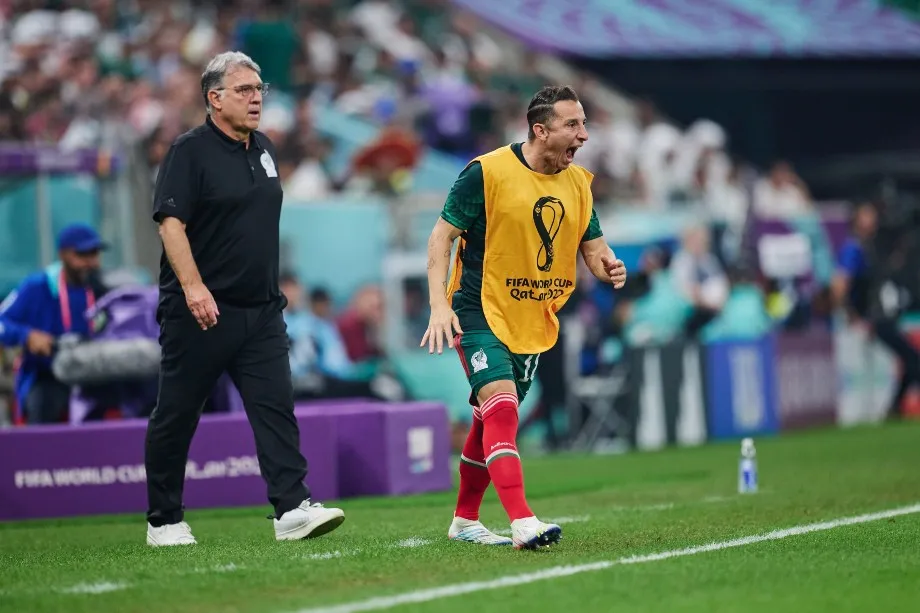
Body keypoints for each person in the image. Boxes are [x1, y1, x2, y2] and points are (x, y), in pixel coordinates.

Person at [144, 51, 344, 547]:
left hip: (262, 308)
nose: (256, 98)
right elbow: (171, 225)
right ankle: (164, 519)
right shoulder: (188, 152)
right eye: (244, 90)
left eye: (259, 90)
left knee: (275, 408)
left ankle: (291, 508)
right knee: (177, 415)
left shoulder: (264, 147)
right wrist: (194, 288)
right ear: (214, 98)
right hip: (202, 311)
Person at [421, 85, 627, 549]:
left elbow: (594, 249)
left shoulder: (577, 184)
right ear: (541, 130)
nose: (584, 135)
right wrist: (438, 305)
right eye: (573, 125)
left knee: (487, 419)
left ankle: (464, 520)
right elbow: (441, 237)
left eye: (584, 124)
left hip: (534, 316)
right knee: (502, 406)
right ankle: (522, 520)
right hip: (478, 309)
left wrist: (609, 267)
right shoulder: (486, 172)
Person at [0, 223, 105, 424]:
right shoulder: (37, 286)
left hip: (95, 374)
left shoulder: (102, 287)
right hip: (48, 375)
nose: (91, 262)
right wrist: (27, 336)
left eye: (95, 254)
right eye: (83, 254)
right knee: (44, 403)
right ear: (63, 254)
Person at [832, 201, 920, 419]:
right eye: (866, 216)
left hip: (881, 318)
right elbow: (840, 285)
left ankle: (895, 406)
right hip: (871, 320)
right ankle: (894, 407)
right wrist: (851, 315)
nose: (872, 221)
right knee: (912, 360)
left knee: (911, 361)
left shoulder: (871, 248)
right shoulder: (853, 248)